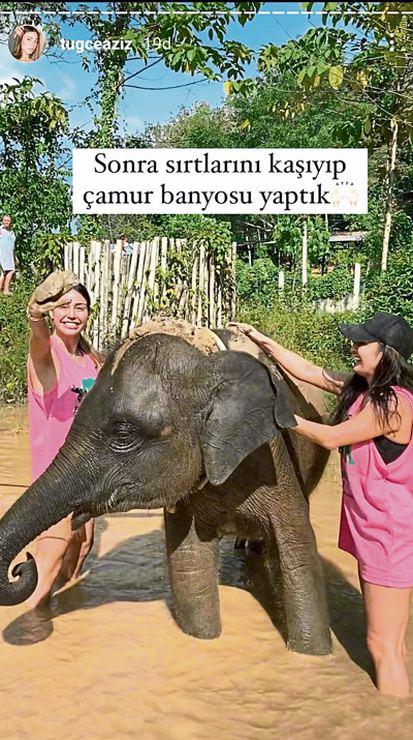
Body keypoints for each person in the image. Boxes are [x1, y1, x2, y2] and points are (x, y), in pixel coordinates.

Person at [232, 313, 413, 698]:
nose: (353, 347)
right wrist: (262, 340)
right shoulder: (363, 390)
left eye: (362, 342)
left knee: (385, 645)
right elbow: (311, 372)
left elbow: (331, 438)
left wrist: (279, 415)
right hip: (373, 527)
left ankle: (392, 715)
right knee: (382, 638)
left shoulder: (394, 404)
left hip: (391, 535)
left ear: (386, 353)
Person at [26, 270, 102, 611]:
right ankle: (30, 627)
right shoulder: (48, 355)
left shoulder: (92, 360)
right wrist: (35, 316)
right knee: (49, 562)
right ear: (53, 313)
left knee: (81, 549)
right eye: (64, 306)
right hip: (55, 480)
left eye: (80, 307)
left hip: (88, 477)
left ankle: (67, 628)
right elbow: (39, 342)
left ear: (88, 314)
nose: (72, 313)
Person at [0, 215, 16, 294]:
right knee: (2, 272)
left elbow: (12, 245)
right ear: (2, 221)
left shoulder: (12, 232)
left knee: (11, 270)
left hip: (9, 254)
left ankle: (6, 290)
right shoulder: (0, 229)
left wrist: (15, 256)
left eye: (8, 221)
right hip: (2, 253)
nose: (6, 222)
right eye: (5, 220)